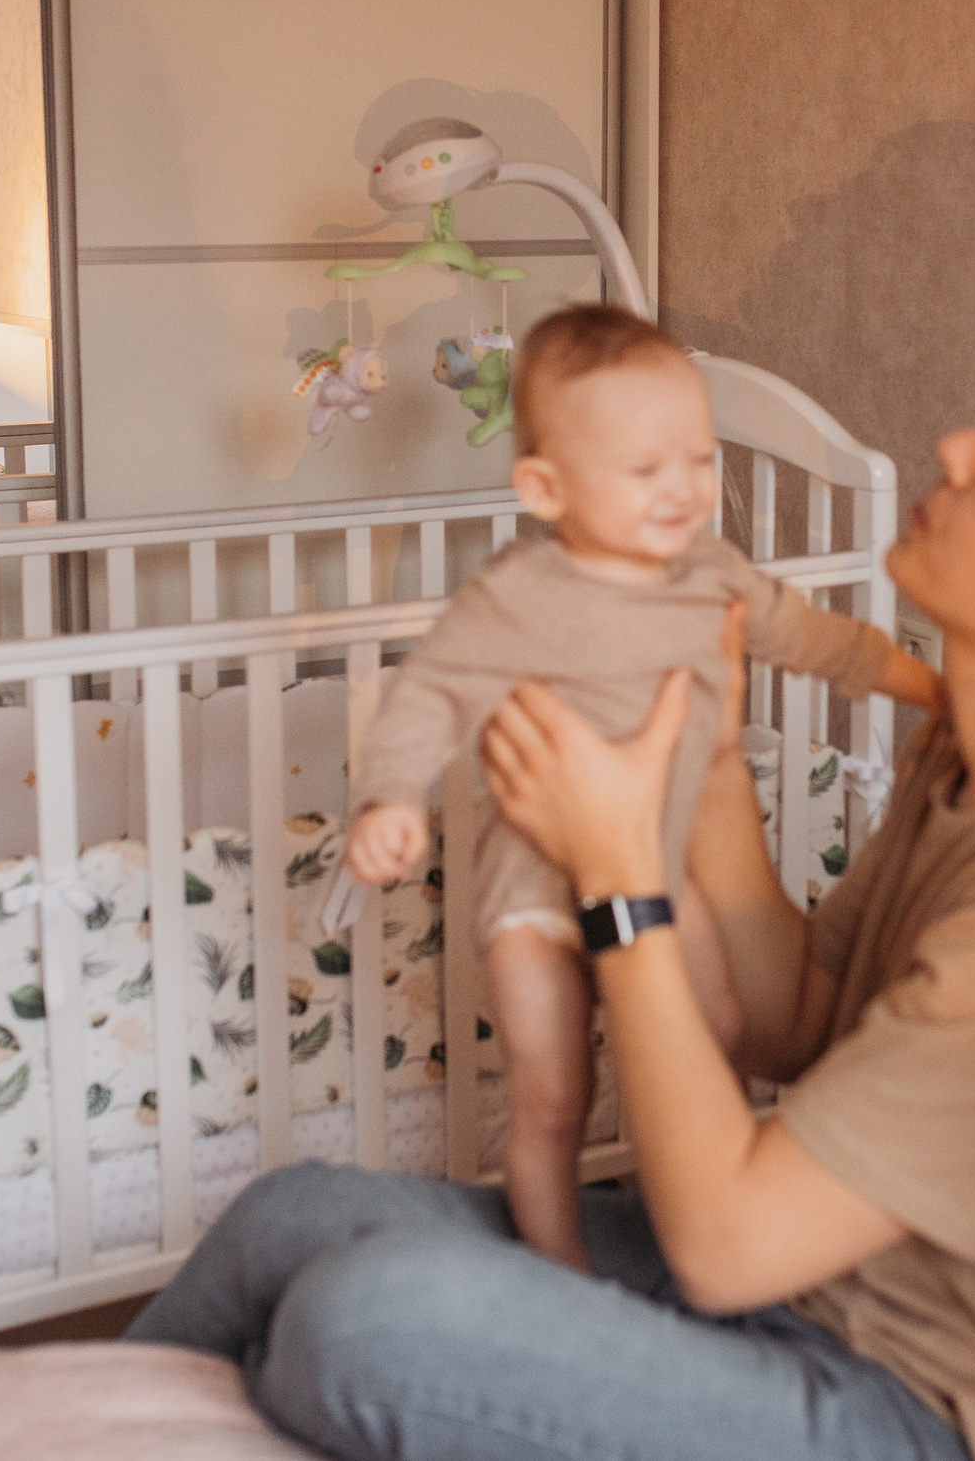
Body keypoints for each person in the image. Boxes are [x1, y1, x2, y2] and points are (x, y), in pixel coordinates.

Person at [132, 333, 975, 1461]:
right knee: (287, 1220)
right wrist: (716, 761)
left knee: (366, 1319)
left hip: (961, 1411)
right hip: (830, 1295)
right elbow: (798, 1019)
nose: (951, 445)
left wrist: (619, 875)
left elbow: (726, 1251)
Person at [340, 305, 940, 1272]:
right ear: (545, 486)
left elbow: (819, 640)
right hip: (534, 889)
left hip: (656, 869)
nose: (684, 489)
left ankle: (689, 1236)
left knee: (725, 1031)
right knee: (553, 1094)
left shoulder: (713, 574)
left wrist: (933, 687)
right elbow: (429, 695)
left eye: (698, 460)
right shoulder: (518, 594)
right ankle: (561, 1269)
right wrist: (392, 799)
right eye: (645, 469)